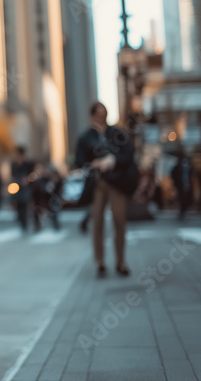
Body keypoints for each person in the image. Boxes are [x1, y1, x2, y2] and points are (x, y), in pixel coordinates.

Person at [74, 102, 138, 277]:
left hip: (116, 183)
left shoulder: (116, 133)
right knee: (98, 223)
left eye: (105, 112)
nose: (103, 115)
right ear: (93, 115)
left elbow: (128, 155)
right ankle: (100, 262)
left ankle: (120, 261)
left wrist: (113, 161)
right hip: (97, 184)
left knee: (119, 221)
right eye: (99, 112)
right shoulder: (85, 137)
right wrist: (93, 164)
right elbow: (79, 161)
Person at [171, 152, 194, 220]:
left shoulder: (188, 167)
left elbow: (191, 175)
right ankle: (182, 210)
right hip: (180, 184)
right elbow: (173, 174)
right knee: (181, 198)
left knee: (186, 198)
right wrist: (176, 182)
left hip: (187, 184)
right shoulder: (178, 167)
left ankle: (184, 209)